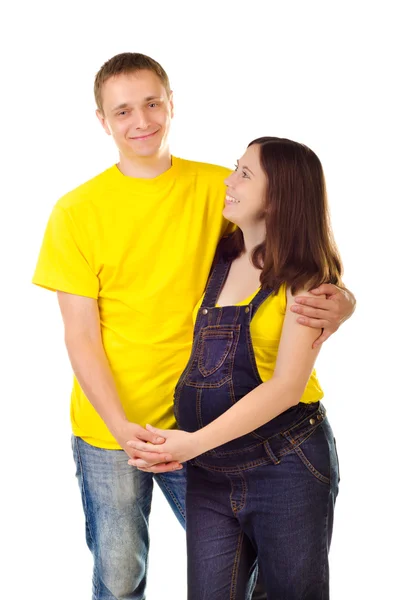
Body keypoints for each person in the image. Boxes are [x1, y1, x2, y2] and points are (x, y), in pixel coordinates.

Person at [32, 52, 354, 600]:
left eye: (153, 103)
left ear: (172, 102)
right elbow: (80, 335)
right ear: (102, 120)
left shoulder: (221, 190)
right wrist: (119, 427)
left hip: (209, 430)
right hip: (110, 431)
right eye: (123, 110)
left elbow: (296, 249)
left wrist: (342, 300)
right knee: (117, 577)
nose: (142, 121)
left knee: (245, 576)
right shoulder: (76, 212)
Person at [128, 137, 344, 600]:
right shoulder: (217, 257)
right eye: (234, 168)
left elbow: (288, 386)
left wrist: (191, 445)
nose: (229, 181)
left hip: (285, 465)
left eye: (245, 174)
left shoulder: (306, 280)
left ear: (281, 194)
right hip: (209, 471)